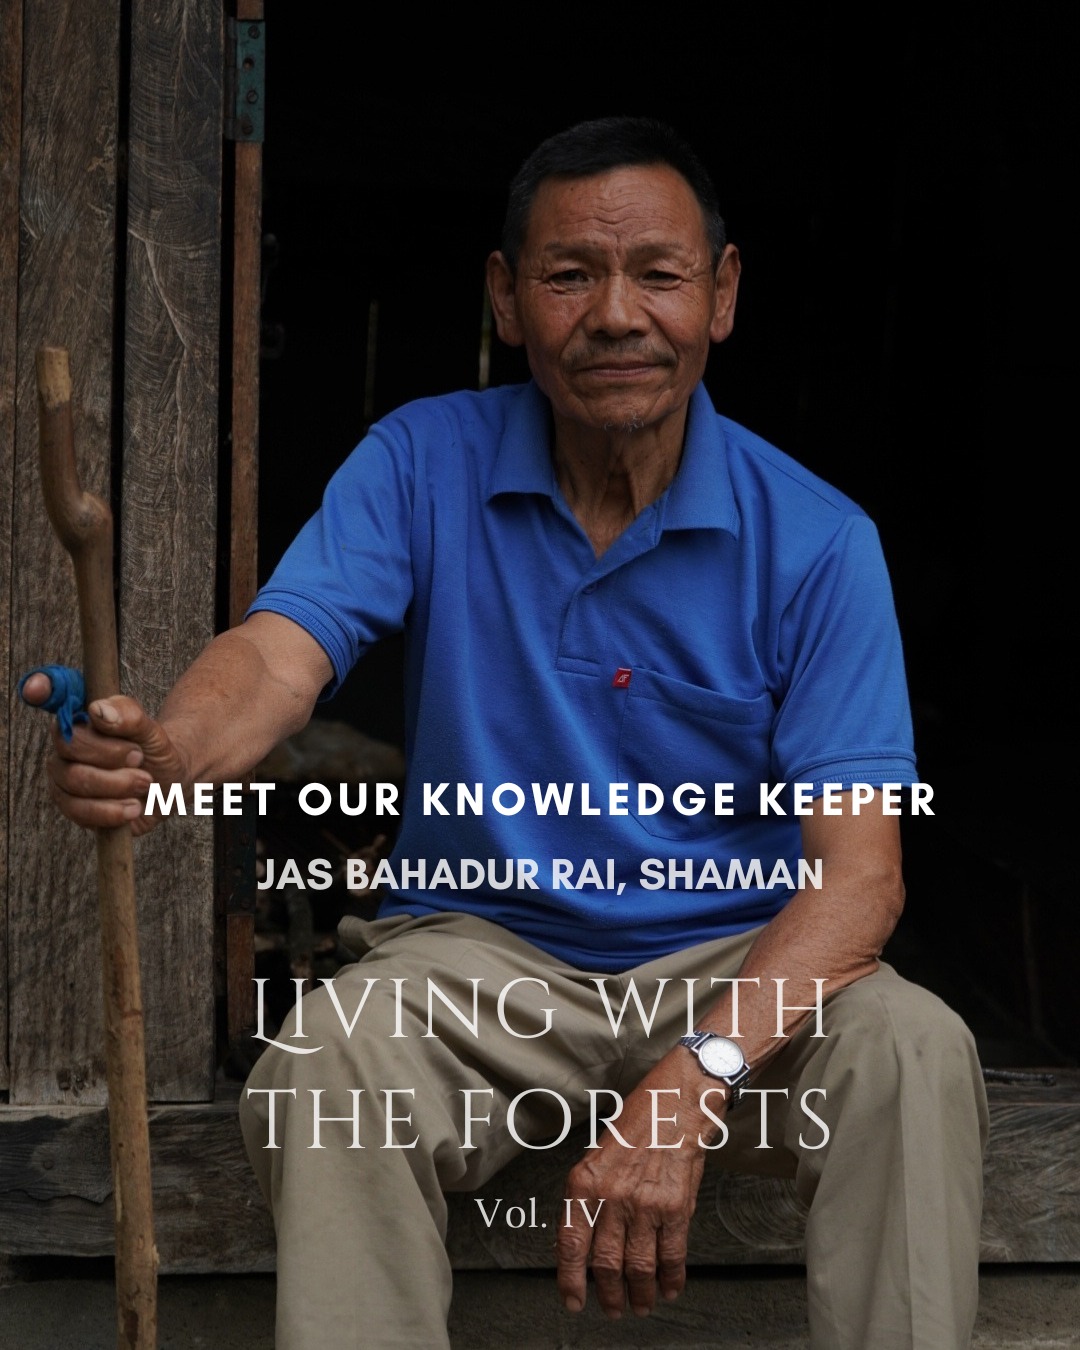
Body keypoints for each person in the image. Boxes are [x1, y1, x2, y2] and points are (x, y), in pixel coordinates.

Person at [26, 117, 988, 1350]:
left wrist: (689, 1086)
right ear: (506, 297)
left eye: (660, 273)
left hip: (733, 968)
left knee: (911, 1048)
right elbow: (281, 650)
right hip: (479, 963)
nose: (619, 315)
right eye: (571, 275)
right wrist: (167, 749)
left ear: (724, 294)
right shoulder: (423, 459)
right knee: (329, 1061)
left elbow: (861, 882)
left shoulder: (818, 539)